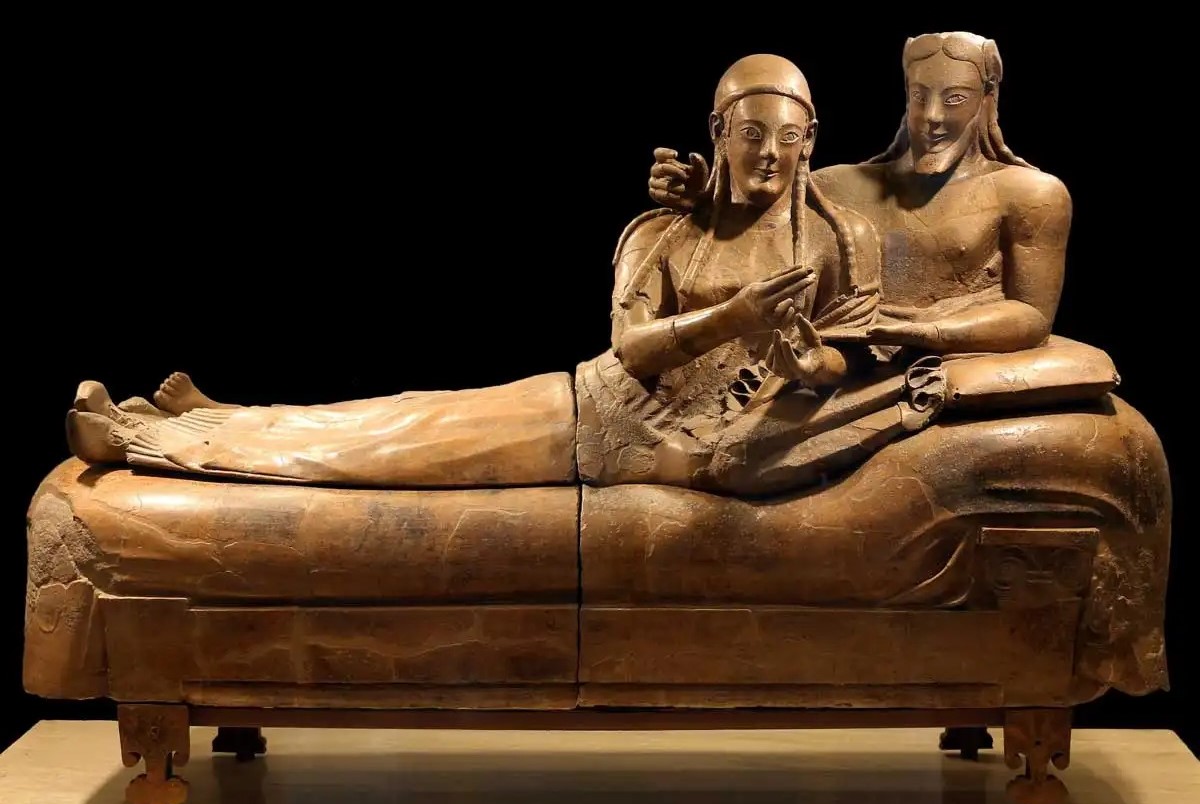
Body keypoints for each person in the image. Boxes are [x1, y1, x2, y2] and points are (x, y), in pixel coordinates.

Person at [64, 55, 944, 496]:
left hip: (677, 444)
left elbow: (848, 358)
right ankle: (206, 426)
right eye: (750, 136)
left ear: (811, 139)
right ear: (718, 132)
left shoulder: (840, 239)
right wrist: (733, 317)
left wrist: (808, 364)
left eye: (787, 139)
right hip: (605, 406)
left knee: (402, 445)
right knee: (403, 421)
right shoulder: (670, 229)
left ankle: (159, 440)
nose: (770, 156)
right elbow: (631, 348)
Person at [649, 32, 1072, 357]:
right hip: (841, 356)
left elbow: (1033, 316)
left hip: (942, 355)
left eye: (955, 98)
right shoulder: (840, 186)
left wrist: (927, 333)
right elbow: (757, 201)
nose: (933, 116)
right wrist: (702, 196)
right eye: (920, 96)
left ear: (987, 99)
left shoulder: (1031, 193)